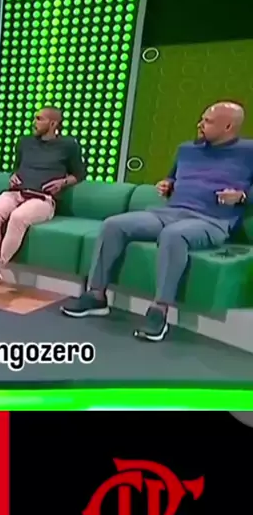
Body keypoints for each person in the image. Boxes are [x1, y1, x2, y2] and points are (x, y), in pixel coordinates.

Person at [61, 101, 253, 342]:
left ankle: (159, 311)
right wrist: (167, 184)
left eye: (208, 121)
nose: (200, 124)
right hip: (169, 212)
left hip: (211, 220)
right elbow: (172, 177)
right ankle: (96, 296)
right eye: (202, 119)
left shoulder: (248, 152)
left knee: (173, 235)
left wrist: (242, 196)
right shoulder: (187, 149)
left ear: (228, 127)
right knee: (113, 225)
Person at [0, 107, 85, 293]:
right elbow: (17, 168)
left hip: (43, 199)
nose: (34, 122)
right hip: (17, 192)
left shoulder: (68, 145)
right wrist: (13, 176)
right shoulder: (25, 142)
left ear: (53, 124)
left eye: (39, 119)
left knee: (18, 217)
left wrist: (63, 182)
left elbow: (79, 174)